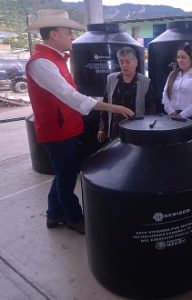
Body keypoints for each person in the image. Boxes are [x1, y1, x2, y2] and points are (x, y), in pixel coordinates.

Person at [25, 9, 134, 234]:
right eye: (67, 33)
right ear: (53, 35)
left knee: (63, 173)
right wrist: (111, 107)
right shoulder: (41, 64)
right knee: (66, 177)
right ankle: (74, 217)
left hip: (67, 126)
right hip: (57, 131)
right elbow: (70, 96)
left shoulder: (56, 59)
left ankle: (54, 214)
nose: (71, 38)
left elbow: (71, 95)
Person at [97, 47, 155, 142]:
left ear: (136, 62)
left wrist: (147, 133)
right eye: (121, 61)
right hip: (114, 130)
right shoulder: (111, 79)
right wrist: (102, 128)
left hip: (136, 131)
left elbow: (151, 111)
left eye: (128, 62)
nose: (124, 65)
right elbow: (105, 105)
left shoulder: (145, 82)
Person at [162, 44, 192, 123]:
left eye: (183, 57)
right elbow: (165, 94)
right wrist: (171, 111)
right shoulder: (173, 74)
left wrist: (183, 114)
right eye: (178, 57)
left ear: (191, 58)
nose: (180, 60)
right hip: (171, 116)